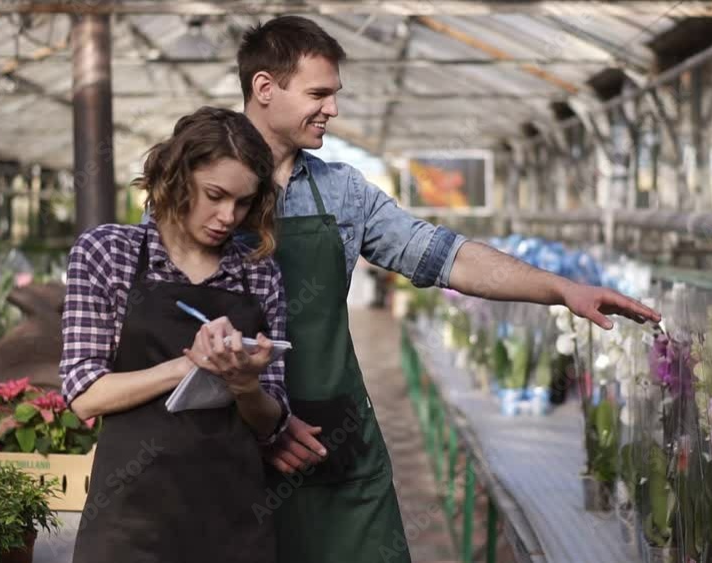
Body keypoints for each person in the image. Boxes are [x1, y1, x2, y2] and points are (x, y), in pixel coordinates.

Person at [231, 16, 662, 563]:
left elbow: (441, 254)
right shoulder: (199, 180)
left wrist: (560, 288)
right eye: (319, 93)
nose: (333, 110)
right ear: (264, 88)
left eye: (335, 94)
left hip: (331, 436)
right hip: (233, 446)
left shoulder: (341, 191)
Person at [61, 107, 289, 563]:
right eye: (215, 195)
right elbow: (83, 392)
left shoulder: (258, 275)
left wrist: (246, 386)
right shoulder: (109, 253)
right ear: (178, 176)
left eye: (243, 202)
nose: (228, 216)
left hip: (234, 525)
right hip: (129, 525)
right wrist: (188, 366)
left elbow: (273, 423)